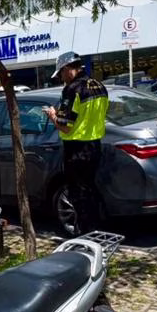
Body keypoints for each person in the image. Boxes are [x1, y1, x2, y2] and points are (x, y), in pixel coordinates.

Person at [43, 51, 109, 234]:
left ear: (67, 69)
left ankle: (85, 236)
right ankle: (95, 230)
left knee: (79, 197)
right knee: (90, 192)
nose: (62, 78)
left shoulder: (72, 89)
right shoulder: (99, 86)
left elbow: (65, 127)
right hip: (95, 145)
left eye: (61, 74)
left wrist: (52, 115)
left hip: (76, 150)